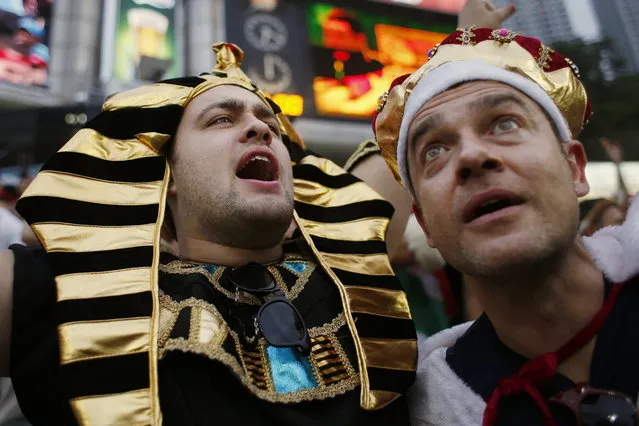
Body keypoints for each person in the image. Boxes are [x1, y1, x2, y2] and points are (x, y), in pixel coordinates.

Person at [0, 43, 416, 425]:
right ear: (168, 174)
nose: (261, 130)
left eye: (268, 122)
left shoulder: (347, 274)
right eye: (221, 119)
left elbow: (410, 122)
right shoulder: (71, 287)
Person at [374, 27, 639, 425]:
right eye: (435, 150)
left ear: (574, 168)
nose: (472, 156)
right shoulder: (432, 411)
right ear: (425, 223)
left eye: (504, 125)